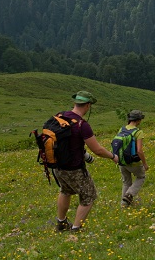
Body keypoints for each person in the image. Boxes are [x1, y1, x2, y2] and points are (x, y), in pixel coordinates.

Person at [54, 91, 119, 233]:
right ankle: (76, 229)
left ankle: (61, 223)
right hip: (74, 168)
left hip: (57, 165)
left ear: (75, 103)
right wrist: (113, 156)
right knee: (89, 196)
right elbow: (98, 150)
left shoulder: (59, 116)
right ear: (88, 105)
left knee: (65, 191)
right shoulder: (82, 125)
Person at [117, 109, 149, 207]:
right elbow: (139, 150)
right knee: (141, 177)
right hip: (134, 162)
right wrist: (144, 164)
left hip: (121, 161)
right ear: (138, 120)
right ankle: (129, 195)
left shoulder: (122, 129)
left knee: (126, 182)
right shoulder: (138, 132)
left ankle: (124, 204)